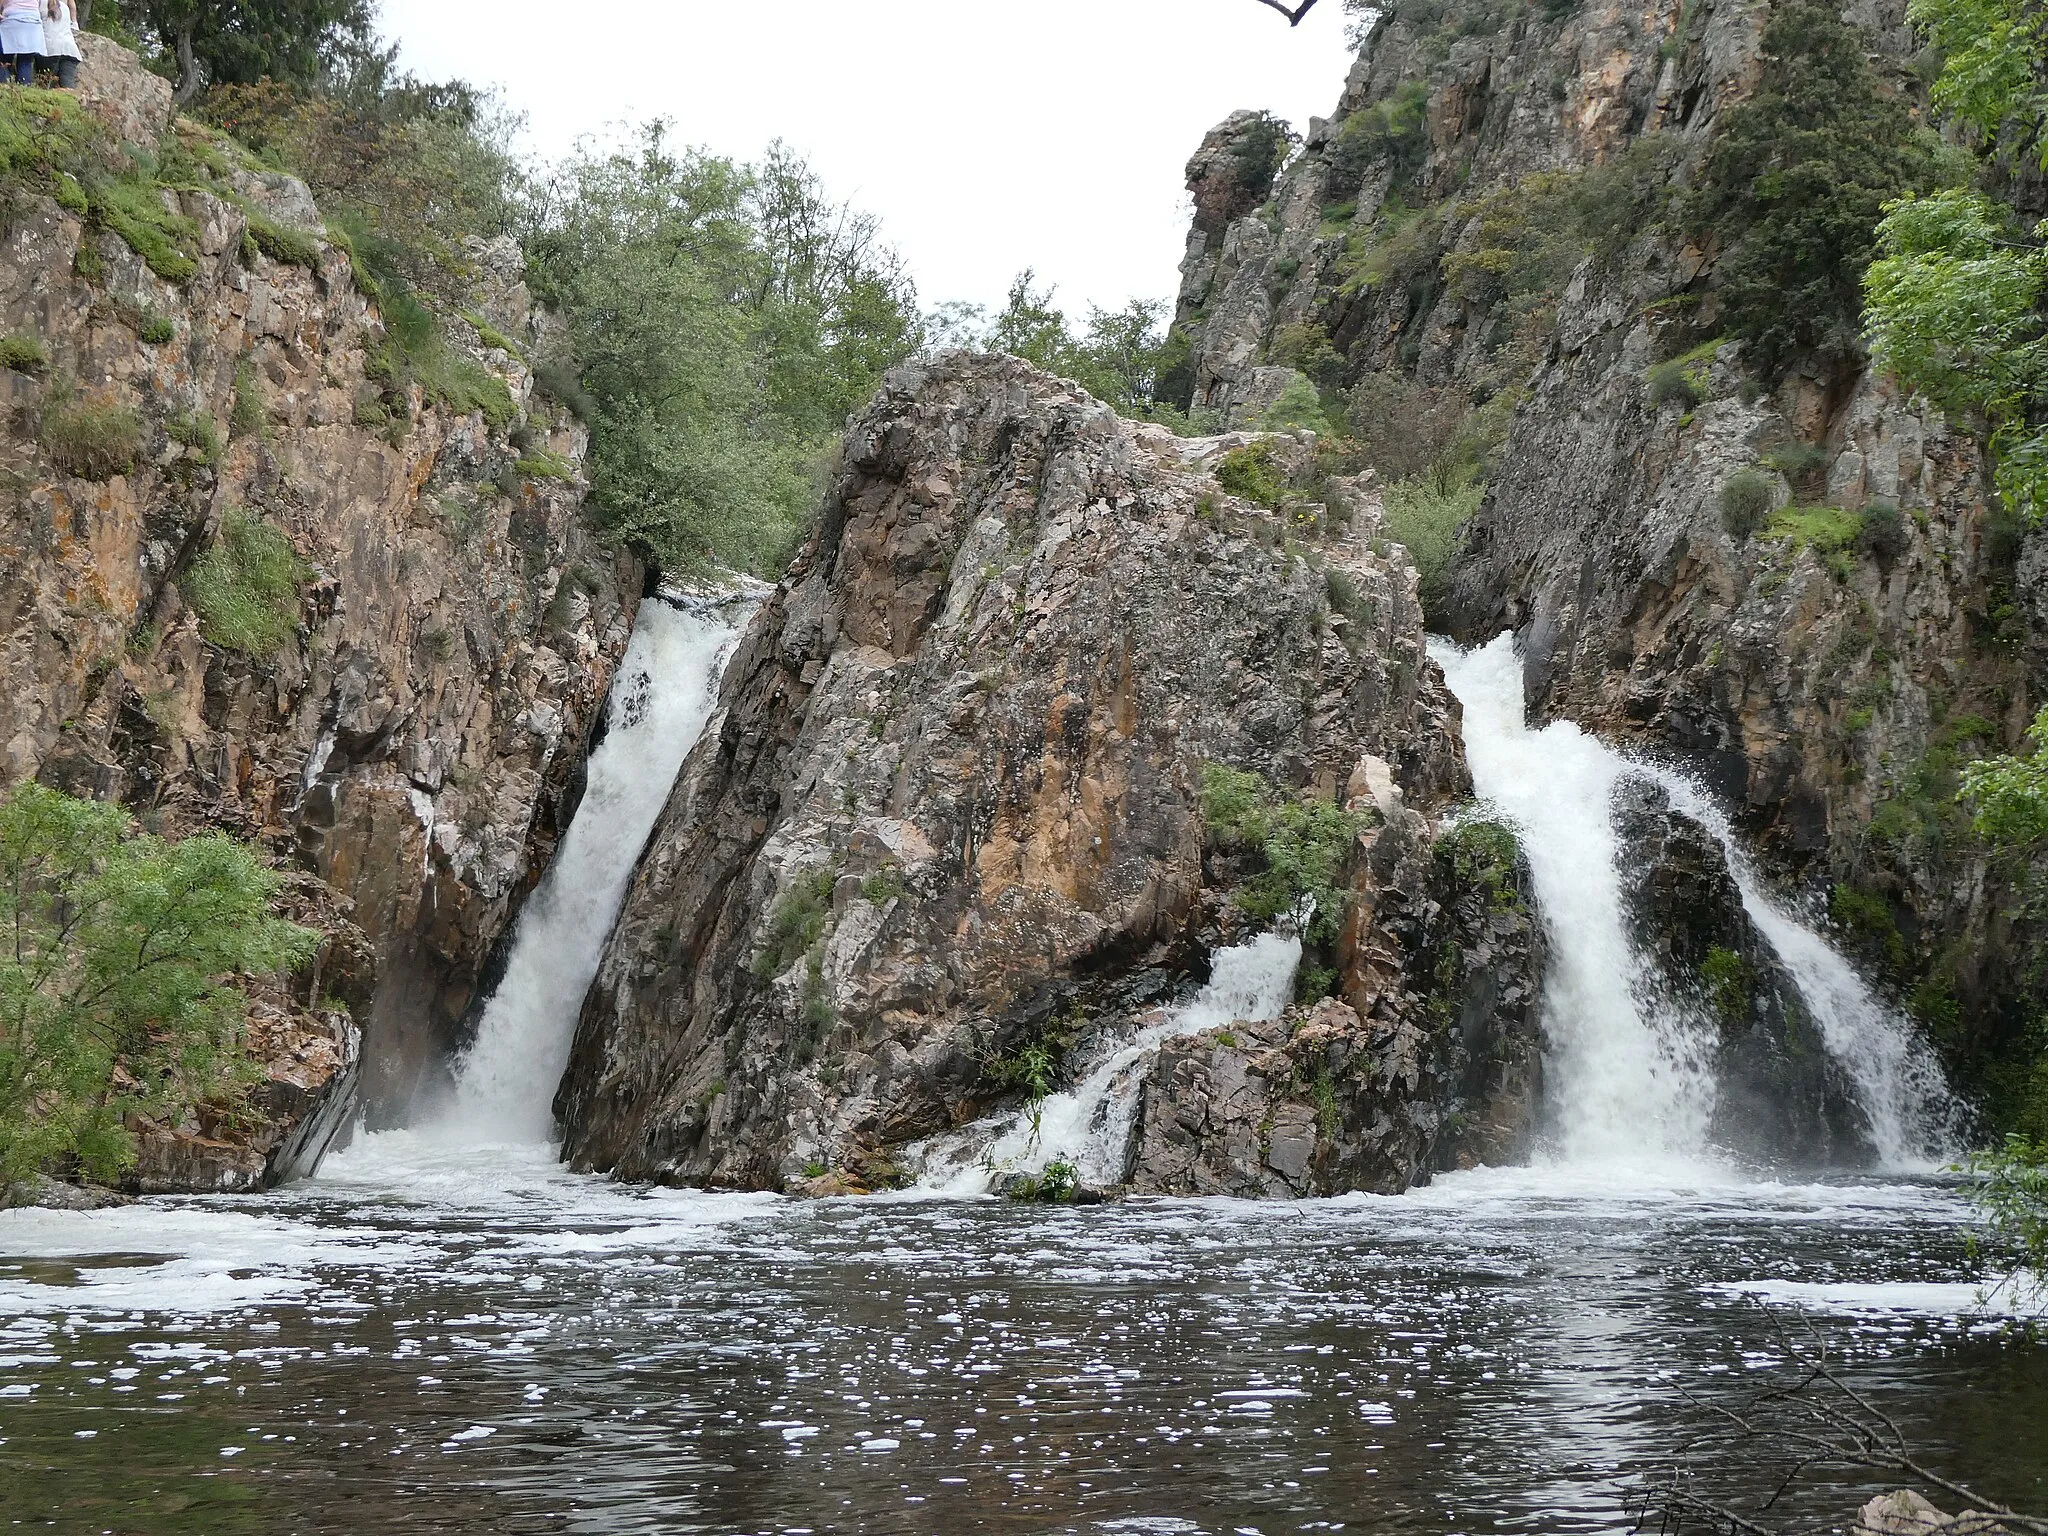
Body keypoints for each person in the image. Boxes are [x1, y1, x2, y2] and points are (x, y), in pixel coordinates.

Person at [0, 0, 42, 83]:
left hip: (12, 18)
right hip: (33, 21)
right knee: (26, 60)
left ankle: (5, 89)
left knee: (4, 60)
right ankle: (24, 89)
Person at [40, 0, 77, 89]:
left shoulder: (40, 5)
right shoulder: (64, 7)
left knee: (48, 85)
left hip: (50, 50)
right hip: (70, 50)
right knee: (68, 87)